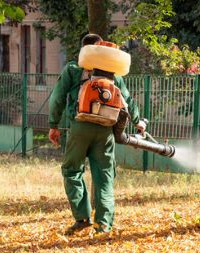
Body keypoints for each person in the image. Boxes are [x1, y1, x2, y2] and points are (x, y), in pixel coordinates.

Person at [48, 34, 144, 235]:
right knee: (104, 176)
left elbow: (57, 97)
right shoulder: (113, 74)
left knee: (72, 171)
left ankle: (82, 218)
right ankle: (104, 225)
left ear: (84, 50)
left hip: (80, 127)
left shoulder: (73, 69)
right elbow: (128, 100)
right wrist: (138, 122)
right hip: (105, 130)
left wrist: (53, 125)